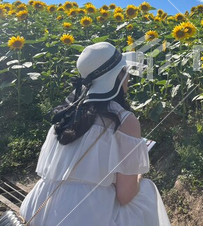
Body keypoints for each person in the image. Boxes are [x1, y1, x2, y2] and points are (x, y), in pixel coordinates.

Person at [20, 42, 170, 225]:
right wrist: (138, 175)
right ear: (118, 77)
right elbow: (125, 195)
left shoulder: (65, 114)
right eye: (126, 71)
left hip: (39, 209)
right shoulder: (124, 120)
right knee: (145, 192)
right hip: (84, 217)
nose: (129, 77)